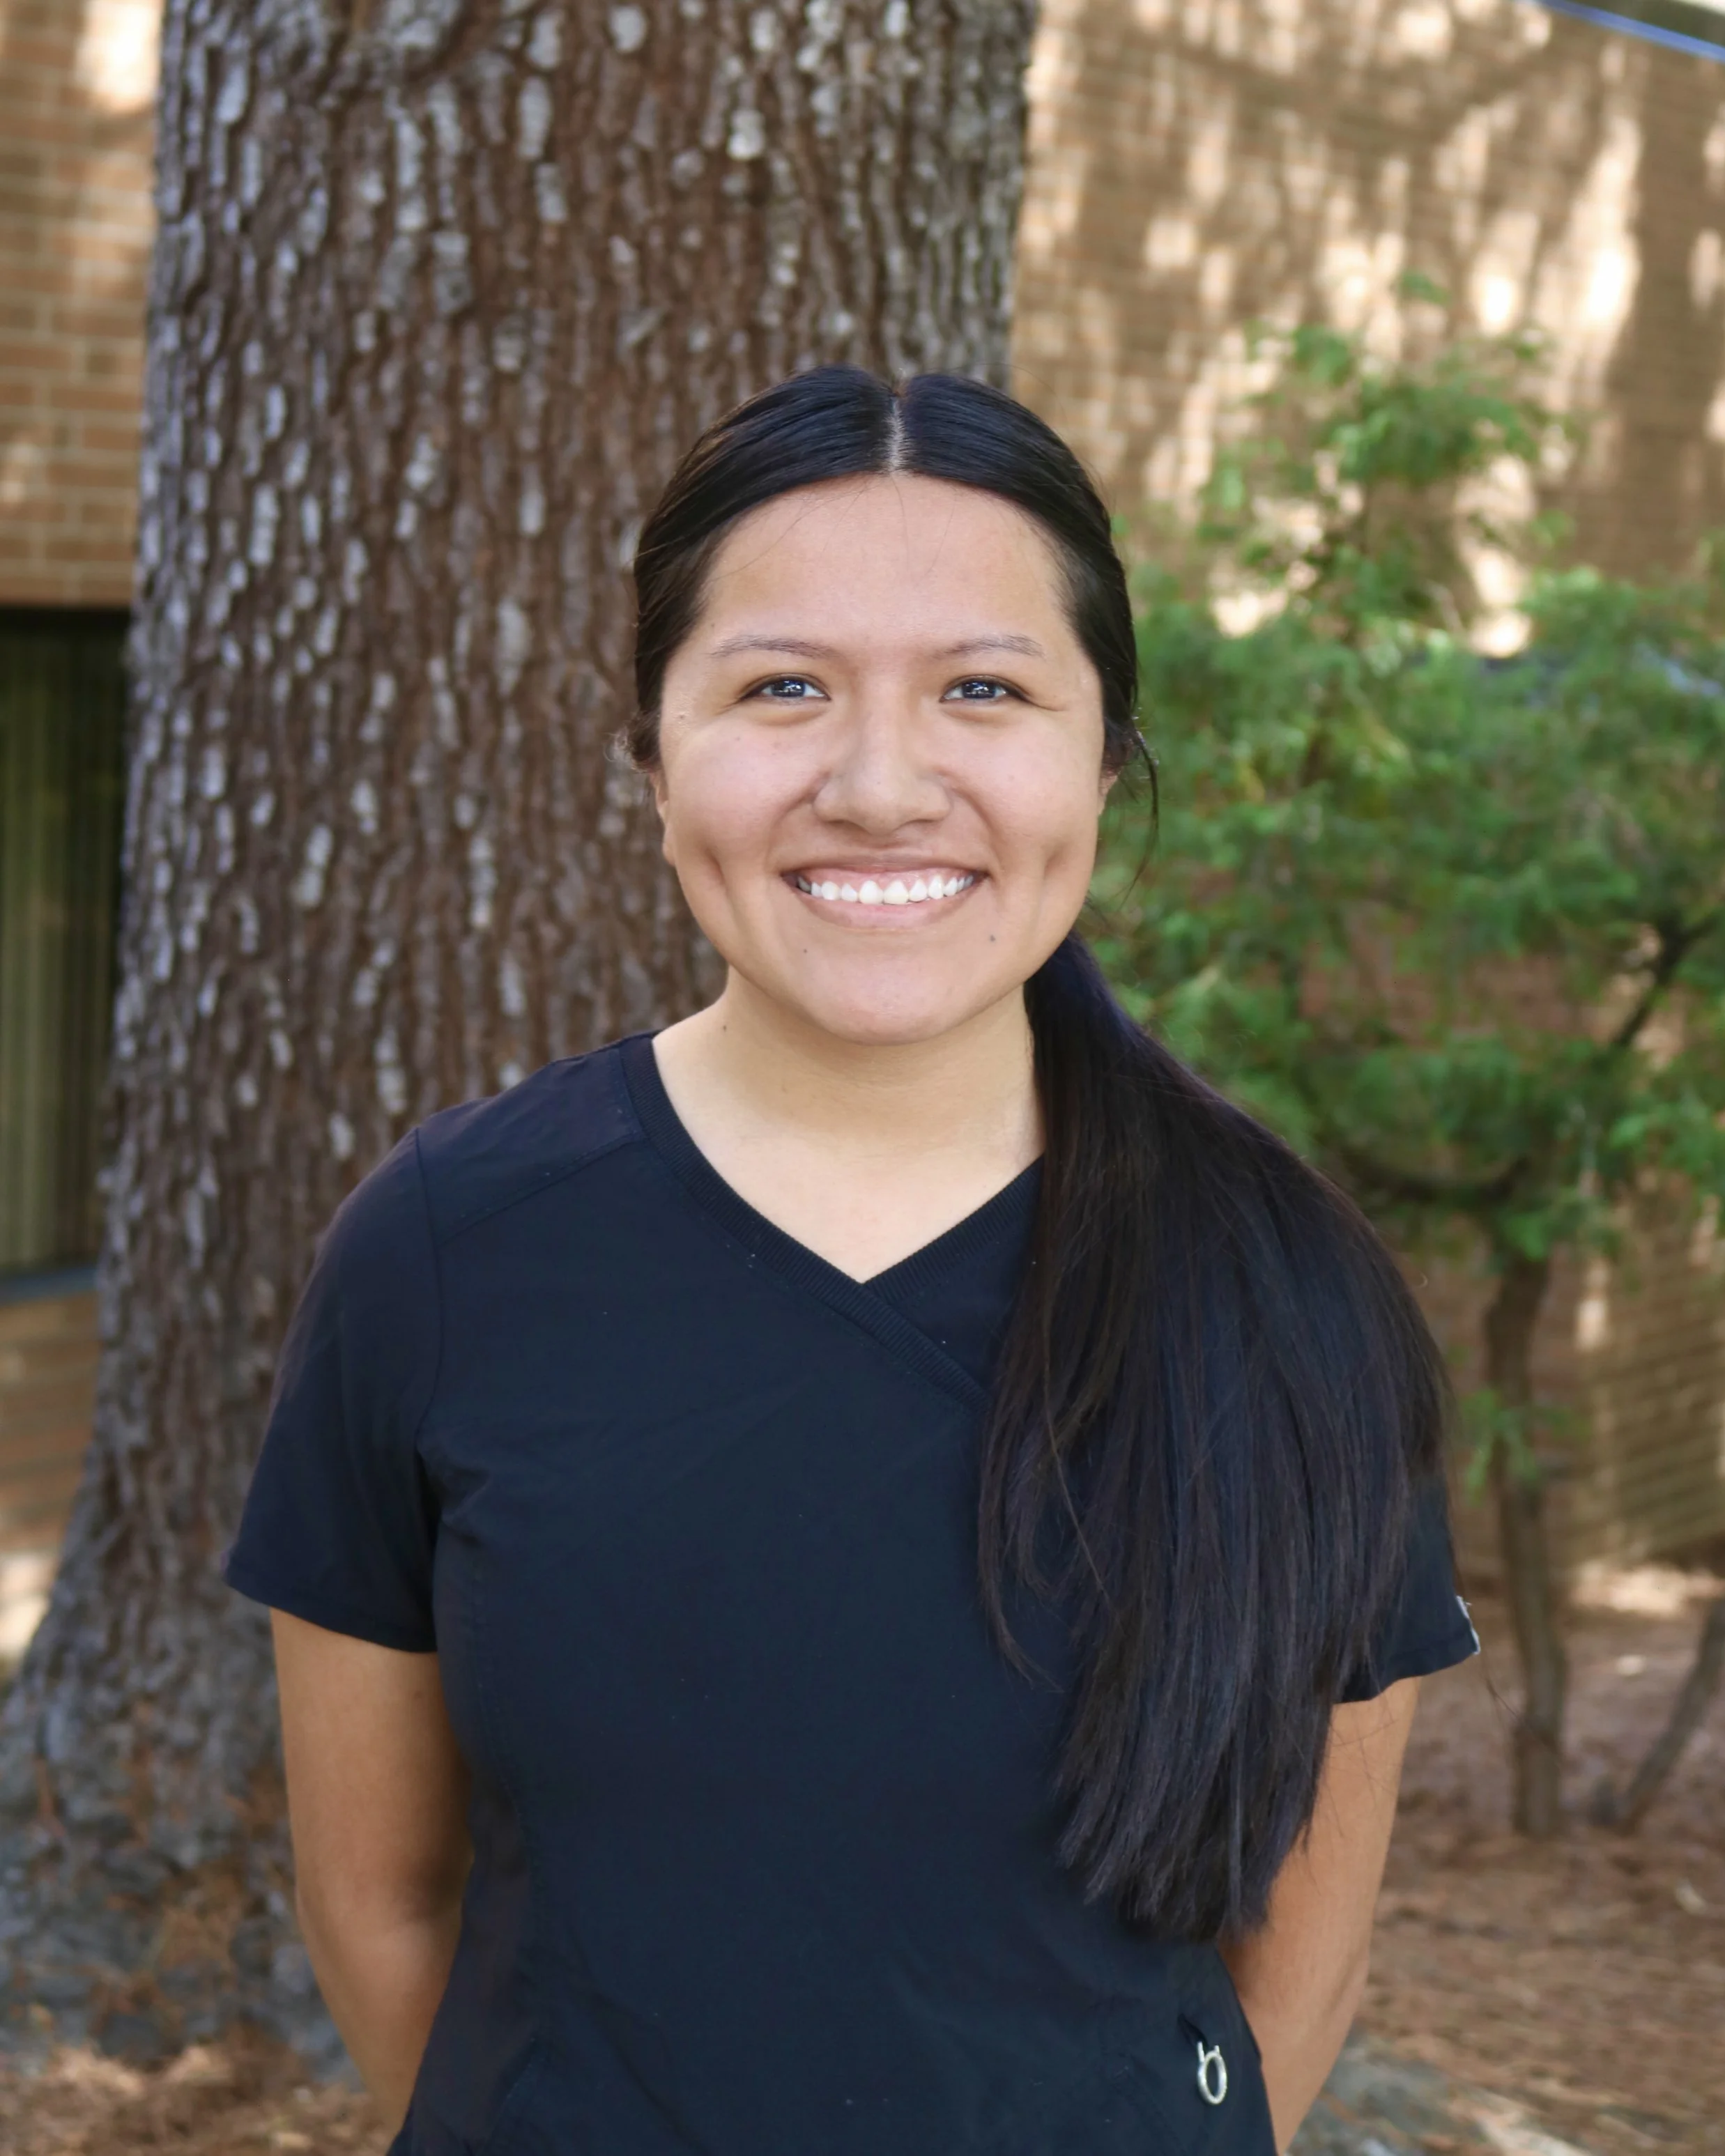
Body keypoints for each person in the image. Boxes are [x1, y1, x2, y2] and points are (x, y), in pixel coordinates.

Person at [224, 367, 1480, 2156]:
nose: (881, 784)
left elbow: (1297, 1959)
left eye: (981, 688)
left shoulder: (1287, 1294)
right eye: (781, 688)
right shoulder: (443, 1251)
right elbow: (381, 1904)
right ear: (654, 755)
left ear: (1102, 749)